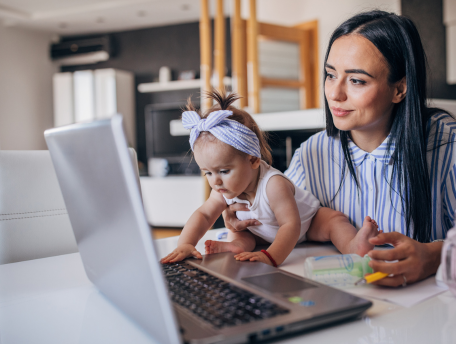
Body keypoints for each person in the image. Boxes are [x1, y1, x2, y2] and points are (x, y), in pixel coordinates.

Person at [223, 10, 456, 285]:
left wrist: (434, 256)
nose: (334, 93)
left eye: (357, 80)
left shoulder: (451, 149)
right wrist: (251, 228)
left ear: (399, 88)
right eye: (331, 75)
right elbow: (289, 228)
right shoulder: (312, 155)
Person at [160, 90, 379, 267]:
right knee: (240, 233)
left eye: (224, 171)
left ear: (253, 160)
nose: (215, 181)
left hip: (307, 223)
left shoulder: (273, 185)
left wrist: (271, 256)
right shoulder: (221, 188)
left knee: (334, 221)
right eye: (207, 172)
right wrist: (186, 243)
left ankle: (353, 245)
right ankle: (236, 247)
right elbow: (204, 214)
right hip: (262, 233)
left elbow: (290, 226)